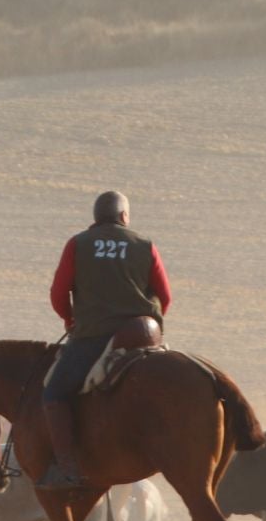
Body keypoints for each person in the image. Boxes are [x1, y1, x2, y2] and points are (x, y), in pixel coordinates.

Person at [41, 191, 174, 489]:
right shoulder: (145, 245)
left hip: (96, 336)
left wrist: (70, 320)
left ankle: (67, 468)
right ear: (125, 217)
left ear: (96, 217)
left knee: (54, 395)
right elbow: (165, 296)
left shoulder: (78, 244)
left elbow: (58, 294)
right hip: (145, 334)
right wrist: (152, 324)